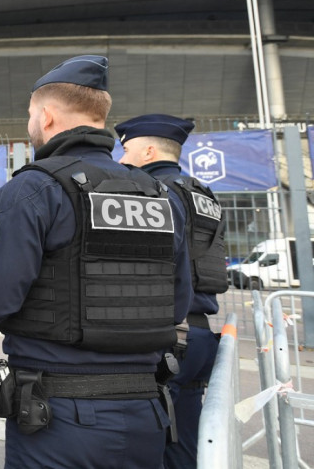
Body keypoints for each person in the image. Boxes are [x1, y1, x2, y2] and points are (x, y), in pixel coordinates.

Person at [0, 55, 192, 469]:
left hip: (58, 420)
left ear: (46, 117)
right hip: (145, 414)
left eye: (30, 114)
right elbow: (178, 303)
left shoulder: (33, 191)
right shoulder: (161, 196)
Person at [116, 113, 227, 468]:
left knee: (140, 447)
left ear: (148, 151)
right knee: (183, 448)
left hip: (168, 338)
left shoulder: (154, 193)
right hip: (199, 336)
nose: (121, 159)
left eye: (127, 149)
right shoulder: (203, 194)